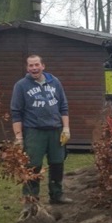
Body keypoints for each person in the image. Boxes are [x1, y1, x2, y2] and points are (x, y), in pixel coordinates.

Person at [10, 54, 72, 206]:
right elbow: (16, 113)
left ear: (43, 66)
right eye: (30, 65)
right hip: (34, 131)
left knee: (57, 163)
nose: (34, 68)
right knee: (33, 165)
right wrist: (18, 137)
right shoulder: (21, 86)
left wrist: (66, 128)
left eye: (36, 64)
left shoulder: (55, 82)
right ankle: (31, 200)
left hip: (56, 130)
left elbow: (63, 106)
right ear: (27, 68)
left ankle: (57, 195)